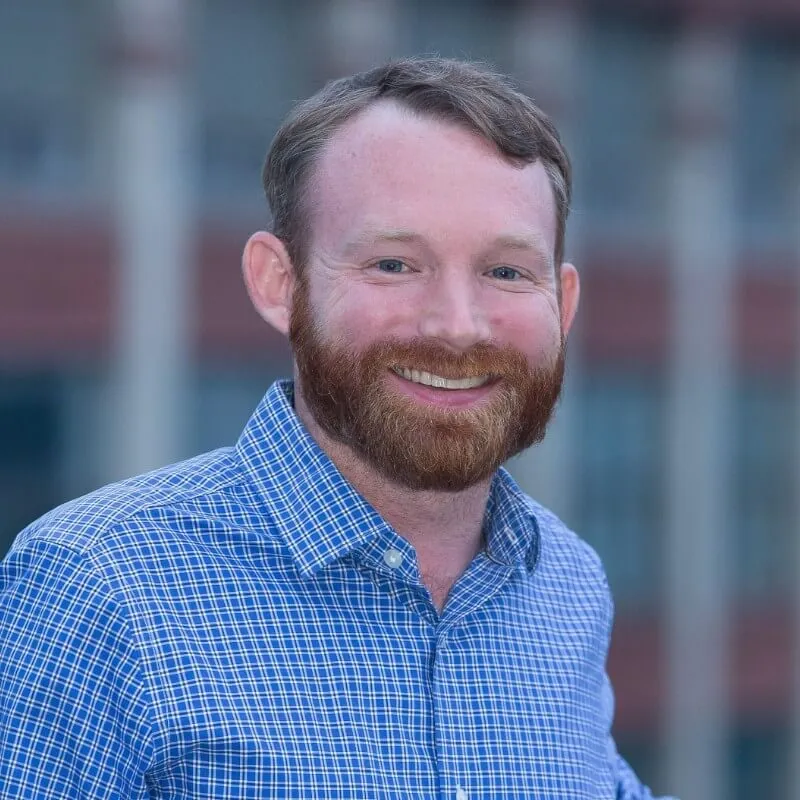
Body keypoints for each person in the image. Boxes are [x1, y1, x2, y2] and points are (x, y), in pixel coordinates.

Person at [0, 57, 674, 799]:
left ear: (563, 302)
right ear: (279, 284)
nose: (456, 325)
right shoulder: (98, 588)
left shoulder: (566, 585)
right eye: (393, 263)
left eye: (507, 272)